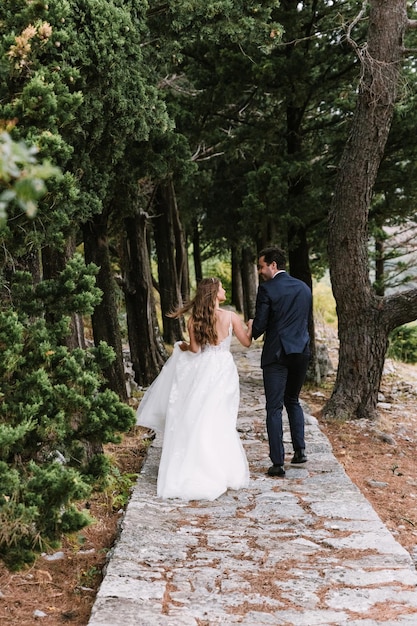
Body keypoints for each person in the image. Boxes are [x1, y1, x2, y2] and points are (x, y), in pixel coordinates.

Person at [136, 277, 253, 501]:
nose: (225, 290)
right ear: (214, 293)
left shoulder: (194, 320)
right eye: (221, 288)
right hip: (224, 371)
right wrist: (250, 326)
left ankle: (198, 466)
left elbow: (196, 351)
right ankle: (220, 468)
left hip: (204, 371)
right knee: (220, 417)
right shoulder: (230, 317)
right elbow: (247, 342)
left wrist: (182, 346)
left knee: (199, 416)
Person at [250, 246, 312, 478]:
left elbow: (259, 327)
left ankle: (278, 463)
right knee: (293, 400)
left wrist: (250, 325)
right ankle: (300, 451)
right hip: (301, 352)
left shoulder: (267, 289)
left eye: (262, 266)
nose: (260, 271)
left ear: (273, 265)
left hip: (277, 355)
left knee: (274, 408)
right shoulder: (304, 288)